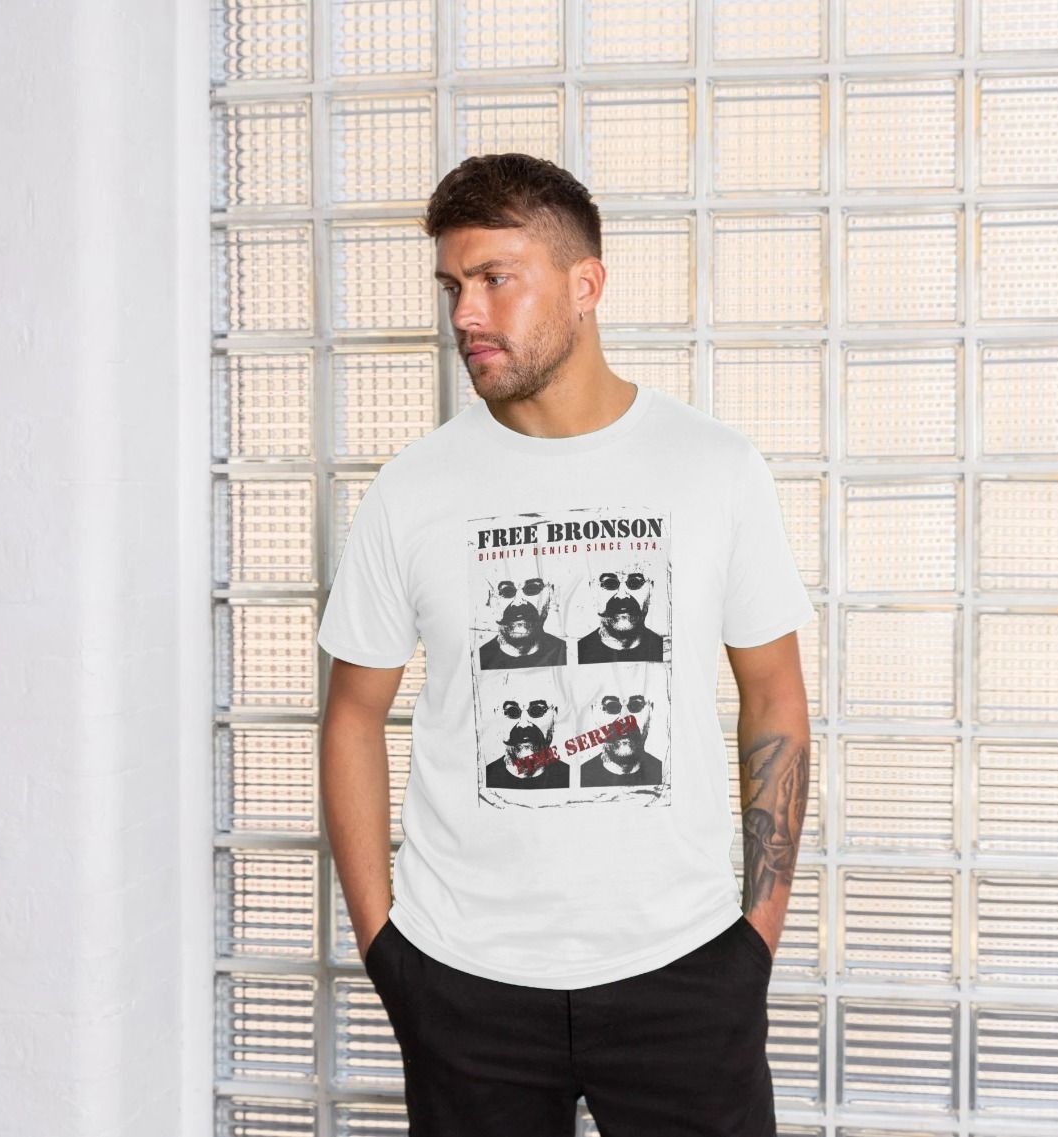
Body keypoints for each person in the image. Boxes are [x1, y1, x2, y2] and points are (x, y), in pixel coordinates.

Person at [318, 152, 813, 1136]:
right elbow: (352, 717)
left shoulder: (713, 468)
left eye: (495, 278)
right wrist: (387, 949)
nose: (466, 313)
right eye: (453, 286)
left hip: (684, 969)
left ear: (586, 284)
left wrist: (755, 936)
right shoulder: (413, 489)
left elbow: (775, 695)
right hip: (463, 980)